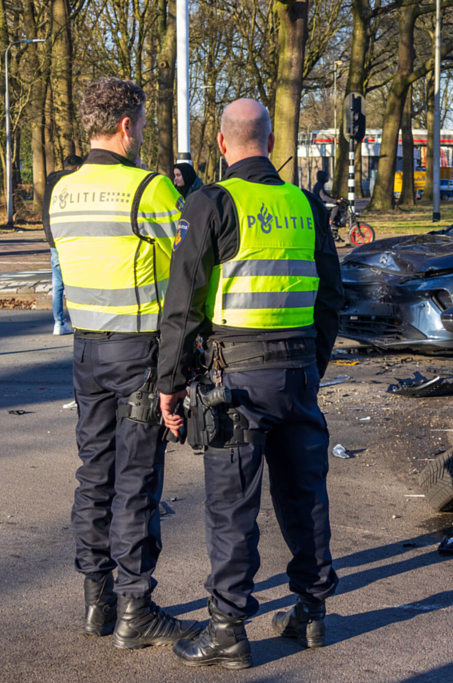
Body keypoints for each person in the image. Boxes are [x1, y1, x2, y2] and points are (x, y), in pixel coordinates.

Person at [156, 98, 344, 670]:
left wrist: (169, 382)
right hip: (298, 372)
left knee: (232, 505)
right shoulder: (305, 204)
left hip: (236, 380)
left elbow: (183, 304)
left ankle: (227, 629)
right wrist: (314, 365)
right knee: (304, 493)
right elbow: (331, 297)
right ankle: (311, 613)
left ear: (221, 143)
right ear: (267, 139)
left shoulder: (211, 201)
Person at [49, 77, 201, 649]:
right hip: (139, 353)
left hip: (86, 349)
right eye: (140, 124)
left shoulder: (60, 191)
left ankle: (98, 601)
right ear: (126, 125)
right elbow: (191, 261)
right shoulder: (148, 187)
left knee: (95, 475)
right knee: (137, 480)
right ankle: (137, 609)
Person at [42, 154, 83, 335]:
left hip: (54, 238)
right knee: (78, 280)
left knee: (58, 282)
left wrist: (50, 237)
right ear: (76, 168)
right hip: (72, 237)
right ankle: (81, 320)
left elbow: (45, 213)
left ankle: (59, 323)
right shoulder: (75, 184)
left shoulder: (51, 184)